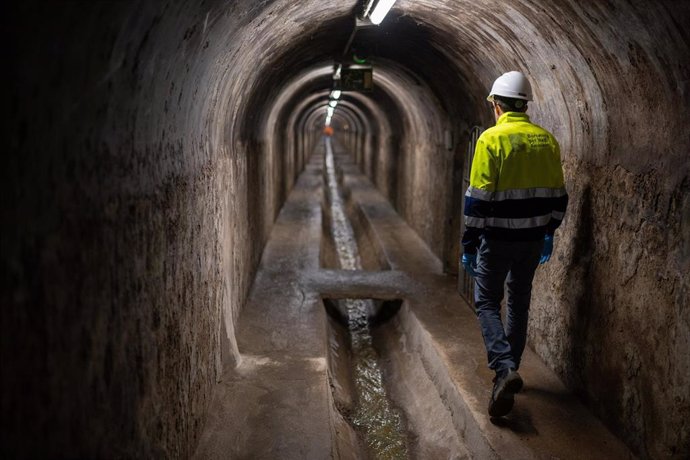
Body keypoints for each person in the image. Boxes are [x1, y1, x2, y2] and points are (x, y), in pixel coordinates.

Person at [460, 71, 568, 417]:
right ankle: (511, 370)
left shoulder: (491, 140)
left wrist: (469, 242)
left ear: (497, 105)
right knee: (519, 301)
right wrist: (550, 230)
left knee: (488, 301)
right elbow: (559, 195)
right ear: (525, 105)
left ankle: (504, 368)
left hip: (498, 238)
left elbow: (478, 198)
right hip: (533, 238)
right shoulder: (547, 140)